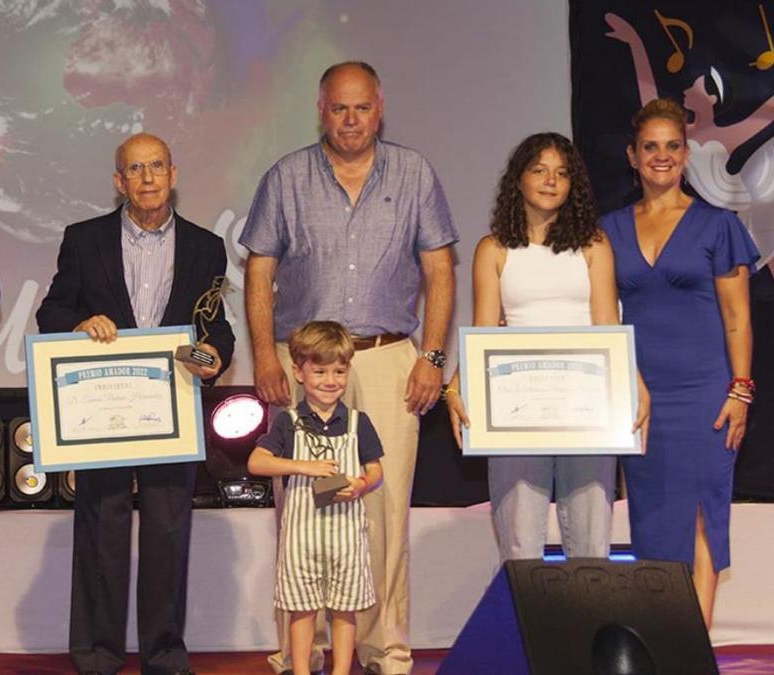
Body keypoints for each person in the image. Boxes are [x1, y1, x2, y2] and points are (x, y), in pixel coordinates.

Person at [240, 61, 457, 675]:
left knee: (383, 511)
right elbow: (259, 272)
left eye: (362, 108)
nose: (351, 120)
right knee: (303, 508)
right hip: (303, 361)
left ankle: (383, 650)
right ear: (321, 108)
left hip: (390, 360)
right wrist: (263, 354)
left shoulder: (414, 173)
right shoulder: (285, 176)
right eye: (340, 108)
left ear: (380, 107)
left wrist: (433, 360)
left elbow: (440, 270)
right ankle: (299, 653)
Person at [36, 132, 234, 675]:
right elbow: (50, 312)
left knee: (169, 531)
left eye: (156, 167)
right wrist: (78, 324)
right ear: (118, 181)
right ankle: (97, 654)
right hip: (104, 410)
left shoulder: (205, 246)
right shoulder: (84, 239)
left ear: (173, 173)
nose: (146, 179)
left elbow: (215, 328)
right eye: (134, 170)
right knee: (102, 526)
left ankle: (165, 654)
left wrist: (212, 355)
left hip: (172, 408)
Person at [446, 132, 649, 561]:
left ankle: (585, 627)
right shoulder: (493, 249)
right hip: (515, 411)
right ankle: (527, 629)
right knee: (519, 540)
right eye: (539, 170)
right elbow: (482, 330)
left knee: (592, 540)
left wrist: (635, 384)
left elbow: (608, 324)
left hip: (588, 408)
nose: (551, 181)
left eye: (561, 173)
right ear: (518, 179)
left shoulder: (593, 244)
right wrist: (456, 386)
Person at [600, 98, 758, 628]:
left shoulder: (717, 226)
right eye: (650, 146)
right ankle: (663, 639)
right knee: (650, 520)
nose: (661, 156)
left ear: (686, 155)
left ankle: (695, 649)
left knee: (700, 517)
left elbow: (738, 319)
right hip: (638, 395)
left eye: (671, 146)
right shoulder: (608, 230)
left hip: (705, 392)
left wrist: (740, 390)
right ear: (632, 155)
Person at [248, 321, 384, 675]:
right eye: (319, 370)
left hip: (347, 538)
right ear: (298, 371)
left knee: (344, 608)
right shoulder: (288, 423)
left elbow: (376, 470)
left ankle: (341, 670)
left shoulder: (358, 422)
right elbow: (257, 461)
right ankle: (303, 669)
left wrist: (361, 485)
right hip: (301, 539)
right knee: (302, 608)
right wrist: (304, 466)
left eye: (339, 371)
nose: (330, 380)